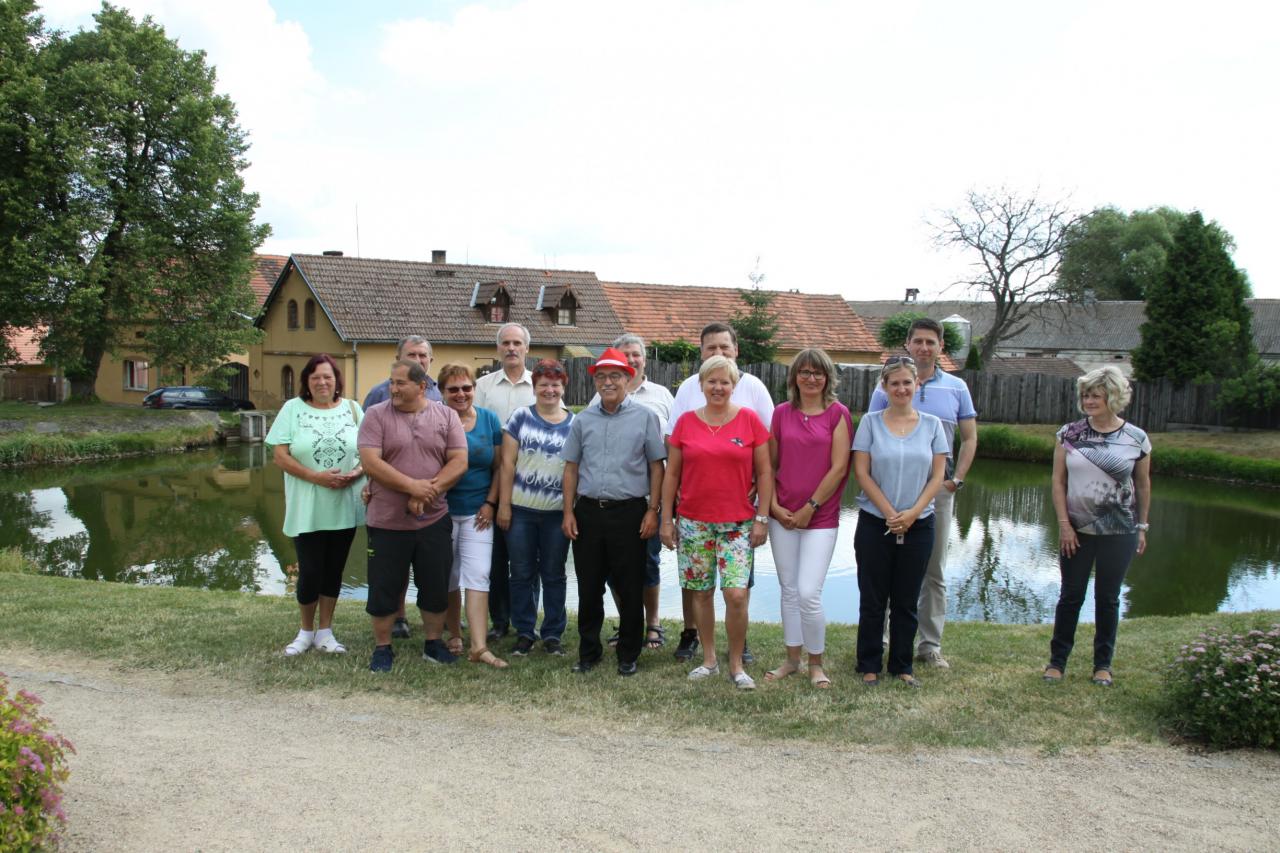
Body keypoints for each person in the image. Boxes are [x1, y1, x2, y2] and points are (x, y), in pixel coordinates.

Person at [867, 317, 976, 669]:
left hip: (937, 493)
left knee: (934, 571)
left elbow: (970, 438)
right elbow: (871, 438)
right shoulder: (885, 387)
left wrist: (956, 480)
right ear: (908, 344)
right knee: (887, 570)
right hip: (890, 495)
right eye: (918, 341)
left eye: (931, 342)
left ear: (941, 346)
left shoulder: (957, 387)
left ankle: (929, 645)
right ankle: (882, 640)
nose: (924, 348)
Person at [661, 356, 774, 690]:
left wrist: (762, 517)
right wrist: (666, 519)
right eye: (712, 381)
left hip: (738, 523)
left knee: (736, 594)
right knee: (701, 592)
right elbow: (672, 474)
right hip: (694, 522)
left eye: (725, 382)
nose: (718, 387)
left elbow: (765, 472)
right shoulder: (686, 423)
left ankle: (736, 664)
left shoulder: (749, 420)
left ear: (734, 385)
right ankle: (709, 659)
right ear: (701, 384)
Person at [357, 360, 468, 673]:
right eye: (391, 382)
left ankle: (433, 643)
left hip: (433, 519)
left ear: (421, 387)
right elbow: (371, 462)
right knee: (384, 587)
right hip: (386, 520)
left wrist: (427, 492)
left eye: (400, 383)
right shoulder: (375, 415)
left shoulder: (446, 416)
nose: (393, 389)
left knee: (435, 585)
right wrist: (412, 488)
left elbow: (459, 461)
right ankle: (383, 647)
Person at [1044, 366, 1151, 688]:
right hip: (1076, 530)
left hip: (1120, 530)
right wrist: (1064, 525)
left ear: (1113, 397)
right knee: (1070, 596)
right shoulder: (1069, 434)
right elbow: (1058, 482)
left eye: (1096, 396)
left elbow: (1142, 485)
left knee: (1108, 598)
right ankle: (1057, 662)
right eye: (1085, 395)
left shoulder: (1136, 438)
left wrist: (1142, 527)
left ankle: (1102, 665)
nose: (1088, 401)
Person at [563, 348, 666, 676]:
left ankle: (628, 653)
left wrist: (653, 510)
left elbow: (657, 466)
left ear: (628, 378)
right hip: (589, 512)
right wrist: (568, 512)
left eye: (615, 376)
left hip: (630, 512)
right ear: (595, 381)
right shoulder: (583, 420)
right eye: (601, 377)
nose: (608, 382)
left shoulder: (645, 417)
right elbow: (571, 467)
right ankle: (588, 652)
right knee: (589, 586)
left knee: (630, 585)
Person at [853, 357, 949, 688]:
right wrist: (890, 513)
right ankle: (868, 663)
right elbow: (862, 472)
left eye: (907, 382)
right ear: (884, 387)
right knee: (873, 598)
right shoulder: (870, 423)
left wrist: (912, 513)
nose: (901, 388)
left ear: (916, 385)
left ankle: (902, 665)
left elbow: (937, 476)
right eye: (894, 383)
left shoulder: (933, 425)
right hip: (875, 522)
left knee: (907, 599)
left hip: (919, 523)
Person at [267, 354, 365, 657]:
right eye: (316, 378)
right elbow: (280, 456)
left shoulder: (353, 409)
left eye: (328, 377)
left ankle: (325, 631)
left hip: (344, 504)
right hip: (307, 506)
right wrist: (316, 477)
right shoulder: (292, 409)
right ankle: (305, 631)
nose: (322, 382)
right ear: (307, 382)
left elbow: (369, 452)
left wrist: (356, 473)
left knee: (334, 570)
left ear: (336, 381)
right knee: (310, 570)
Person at [765, 349, 852, 689]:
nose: (811, 378)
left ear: (828, 378)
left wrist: (810, 507)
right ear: (794, 377)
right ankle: (792, 660)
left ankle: (816, 663)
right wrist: (773, 507)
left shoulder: (837, 414)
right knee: (788, 590)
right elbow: (770, 465)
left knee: (807, 592)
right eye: (805, 372)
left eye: (818, 373)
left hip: (820, 517)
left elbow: (840, 467)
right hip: (782, 516)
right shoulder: (780, 413)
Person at [588, 333, 674, 650]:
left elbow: (672, 449)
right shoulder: (600, 397)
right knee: (614, 567)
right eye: (625, 355)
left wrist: (664, 502)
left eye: (636, 354)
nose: (631, 359)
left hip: (649, 497)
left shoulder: (663, 396)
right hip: (613, 500)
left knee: (648, 563)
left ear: (644, 359)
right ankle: (627, 623)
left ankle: (652, 623)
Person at [362, 335, 442, 641]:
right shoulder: (378, 395)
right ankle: (397, 616)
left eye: (423, 355)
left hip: (433, 497)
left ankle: (437, 622)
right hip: (388, 495)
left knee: (432, 566)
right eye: (412, 355)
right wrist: (370, 481)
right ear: (398, 359)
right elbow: (368, 446)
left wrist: (428, 490)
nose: (418, 360)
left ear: (430, 360)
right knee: (392, 566)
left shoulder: (439, 393)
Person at [497, 359, 574, 657]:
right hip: (521, 512)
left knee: (554, 574)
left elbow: (575, 470)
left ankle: (553, 634)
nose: (549, 390)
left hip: (557, 514)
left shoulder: (575, 424)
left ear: (563, 387)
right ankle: (525, 632)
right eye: (543, 384)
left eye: (555, 384)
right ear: (534, 387)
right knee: (521, 574)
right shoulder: (520, 417)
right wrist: (504, 506)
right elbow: (507, 464)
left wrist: (570, 513)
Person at [438, 363, 508, 669]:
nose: (461, 394)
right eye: (453, 389)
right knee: (449, 575)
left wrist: (491, 503)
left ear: (474, 389)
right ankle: (454, 633)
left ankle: (479, 646)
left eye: (466, 388)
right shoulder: (434, 419)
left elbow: (499, 466)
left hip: (478, 512)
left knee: (479, 574)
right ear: (442, 392)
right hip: (441, 511)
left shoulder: (489, 419)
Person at [474, 323, 535, 644]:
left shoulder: (539, 386)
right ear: (498, 348)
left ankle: (528, 620)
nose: (511, 348)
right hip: (492, 481)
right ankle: (499, 621)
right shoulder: (483, 387)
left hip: (530, 483)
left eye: (517, 343)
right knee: (496, 558)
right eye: (506, 343)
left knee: (527, 560)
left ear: (526, 348)